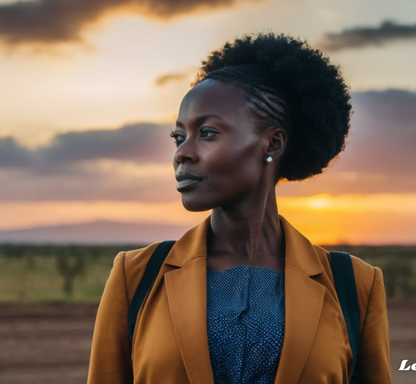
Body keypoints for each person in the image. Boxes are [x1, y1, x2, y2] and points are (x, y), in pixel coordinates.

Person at [87, 32, 391, 384]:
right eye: (178, 136)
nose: (182, 153)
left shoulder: (354, 286)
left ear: (272, 143)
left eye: (208, 133)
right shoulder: (137, 276)